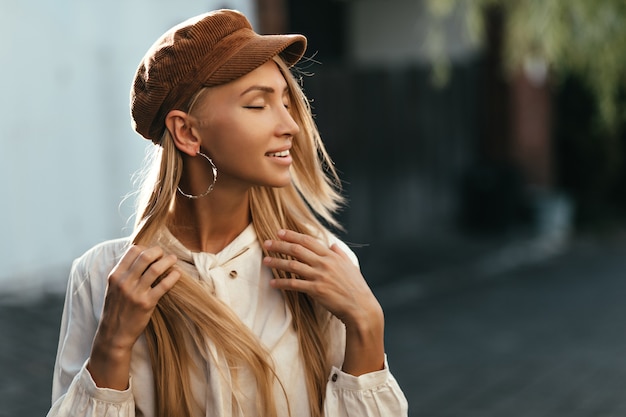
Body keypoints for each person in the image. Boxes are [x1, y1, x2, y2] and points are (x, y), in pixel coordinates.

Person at [47, 9, 408, 417]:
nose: (290, 125)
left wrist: (367, 325)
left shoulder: (321, 263)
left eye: (287, 103)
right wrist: (111, 345)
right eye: (258, 105)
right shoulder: (101, 278)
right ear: (187, 131)